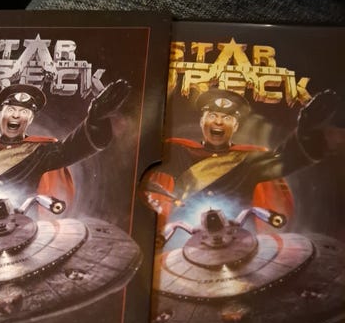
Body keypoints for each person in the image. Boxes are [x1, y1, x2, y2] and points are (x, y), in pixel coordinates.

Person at [142, 88, 339, 234]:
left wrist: (305, 132)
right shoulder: (177, 152)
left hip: (239, 243)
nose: (219, 122)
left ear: (235, 126)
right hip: (184, 242)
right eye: (212, 115)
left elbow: (285, 160)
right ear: (202, 121)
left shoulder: (248, 161)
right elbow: (140, 155)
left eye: (227, 118)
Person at [0, 75, 130, 206]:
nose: (16, 116)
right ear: (1, 115)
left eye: (24, 112)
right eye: (11, 109)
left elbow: (71, 149)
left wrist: (96, 119)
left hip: (24, 229)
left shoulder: (41, 151)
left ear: (30, 120)